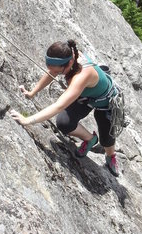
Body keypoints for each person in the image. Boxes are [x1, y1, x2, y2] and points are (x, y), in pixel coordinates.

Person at [9, 39, 119, 177]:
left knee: (107, 139)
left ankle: (111, 157)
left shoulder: (82, 75)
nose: (56, 73)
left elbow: (59, 105)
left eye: (59, 71)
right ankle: (90, 139)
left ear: (70, 63)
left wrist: (28, 120)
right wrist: (33, 92)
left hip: (105, 101)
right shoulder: (67, 57)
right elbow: (52, 72)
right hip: (85, 96)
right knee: (64, 123)